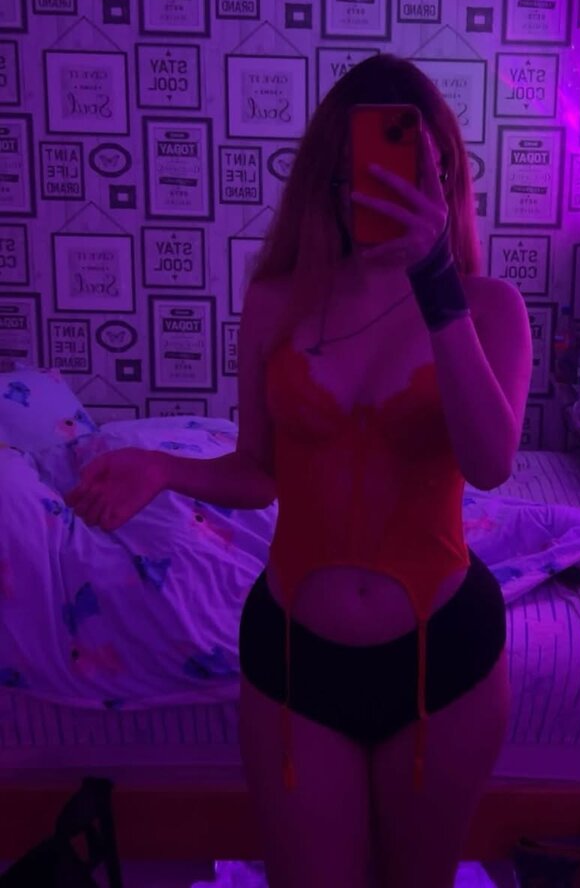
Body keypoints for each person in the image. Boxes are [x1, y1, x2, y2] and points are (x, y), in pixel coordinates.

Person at [66, 55, 533, 888]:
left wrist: (435, 282)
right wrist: (163, 467)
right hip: (293, 656)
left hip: (444, 660)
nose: (377, 187)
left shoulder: (488, 306)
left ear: (444, 176)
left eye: (409, 166)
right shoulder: (278, 301)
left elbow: (491, 463)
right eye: (360, 168)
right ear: (328, 177)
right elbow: (259, 472)